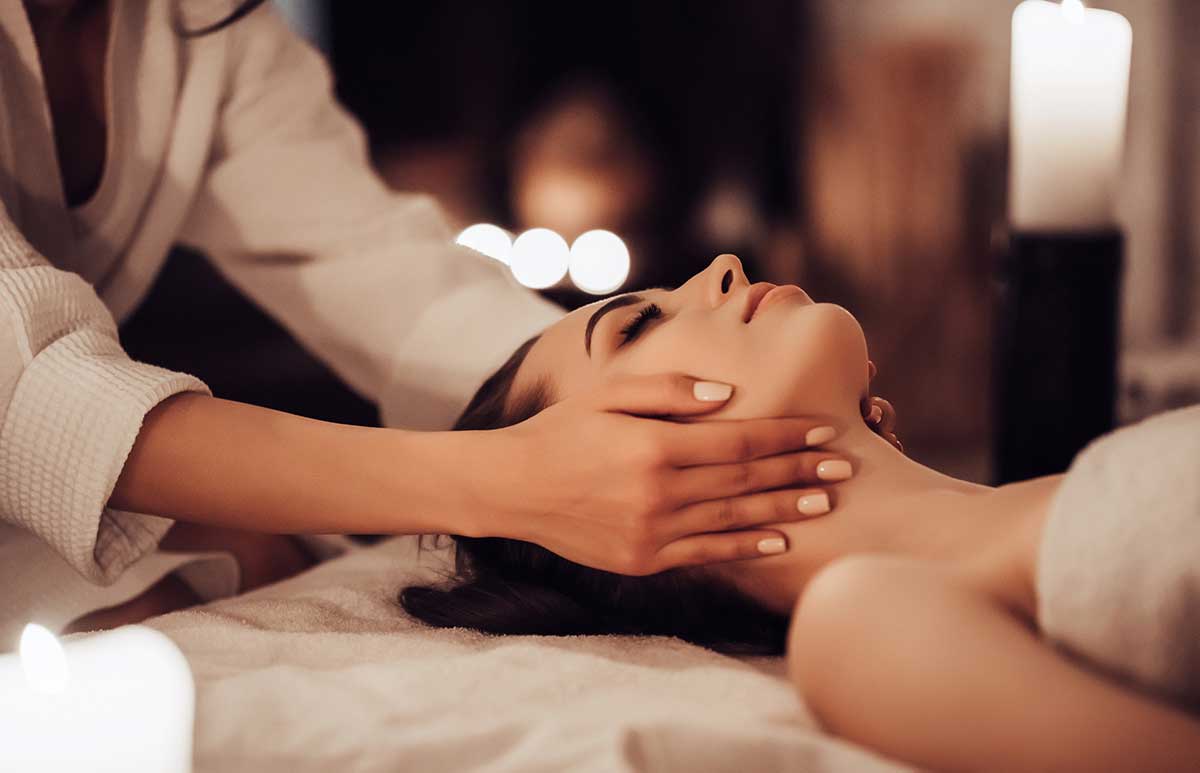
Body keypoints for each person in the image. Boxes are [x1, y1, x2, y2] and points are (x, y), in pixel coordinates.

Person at [0, 0, 892, 643]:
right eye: (637, 324)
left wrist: (602, 434)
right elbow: (36, 398)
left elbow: (388, 276)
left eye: (638, 326)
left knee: (257, 549)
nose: (724, 270)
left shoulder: (201, 25)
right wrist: (515, 476)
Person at [402, 253, 1200, 771]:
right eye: (638, 326)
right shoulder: (858, 621)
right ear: (616, 488)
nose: (721, 268)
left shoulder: (1065, 491)